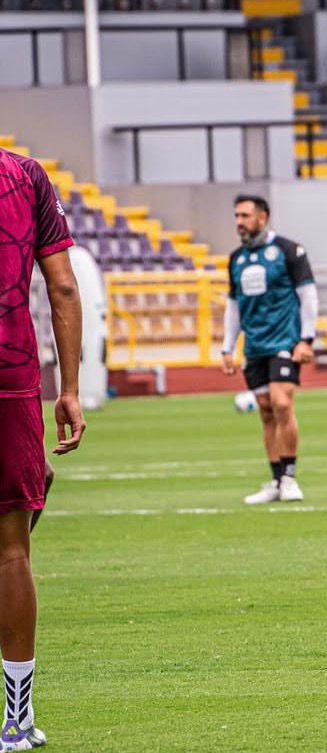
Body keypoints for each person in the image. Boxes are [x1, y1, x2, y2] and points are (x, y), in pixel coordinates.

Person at [0, 146, 86, 751]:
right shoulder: (24, 174)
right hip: (9, 373)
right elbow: (63, 287)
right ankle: (16, 721)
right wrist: (70, 390)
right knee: (12, 548)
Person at [221, 195, 318, 504]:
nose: (239, 222)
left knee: (281, 403)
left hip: (285, 341)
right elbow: (234, 306)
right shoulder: (236, 259)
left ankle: (290, 478)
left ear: (262, 217)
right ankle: (276, 482)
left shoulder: (289, 251)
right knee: (265, 410)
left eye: (245, 216)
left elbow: (308, 295)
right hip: (255, 346)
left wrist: (306, 339)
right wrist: (227, 348)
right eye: (236, 216)